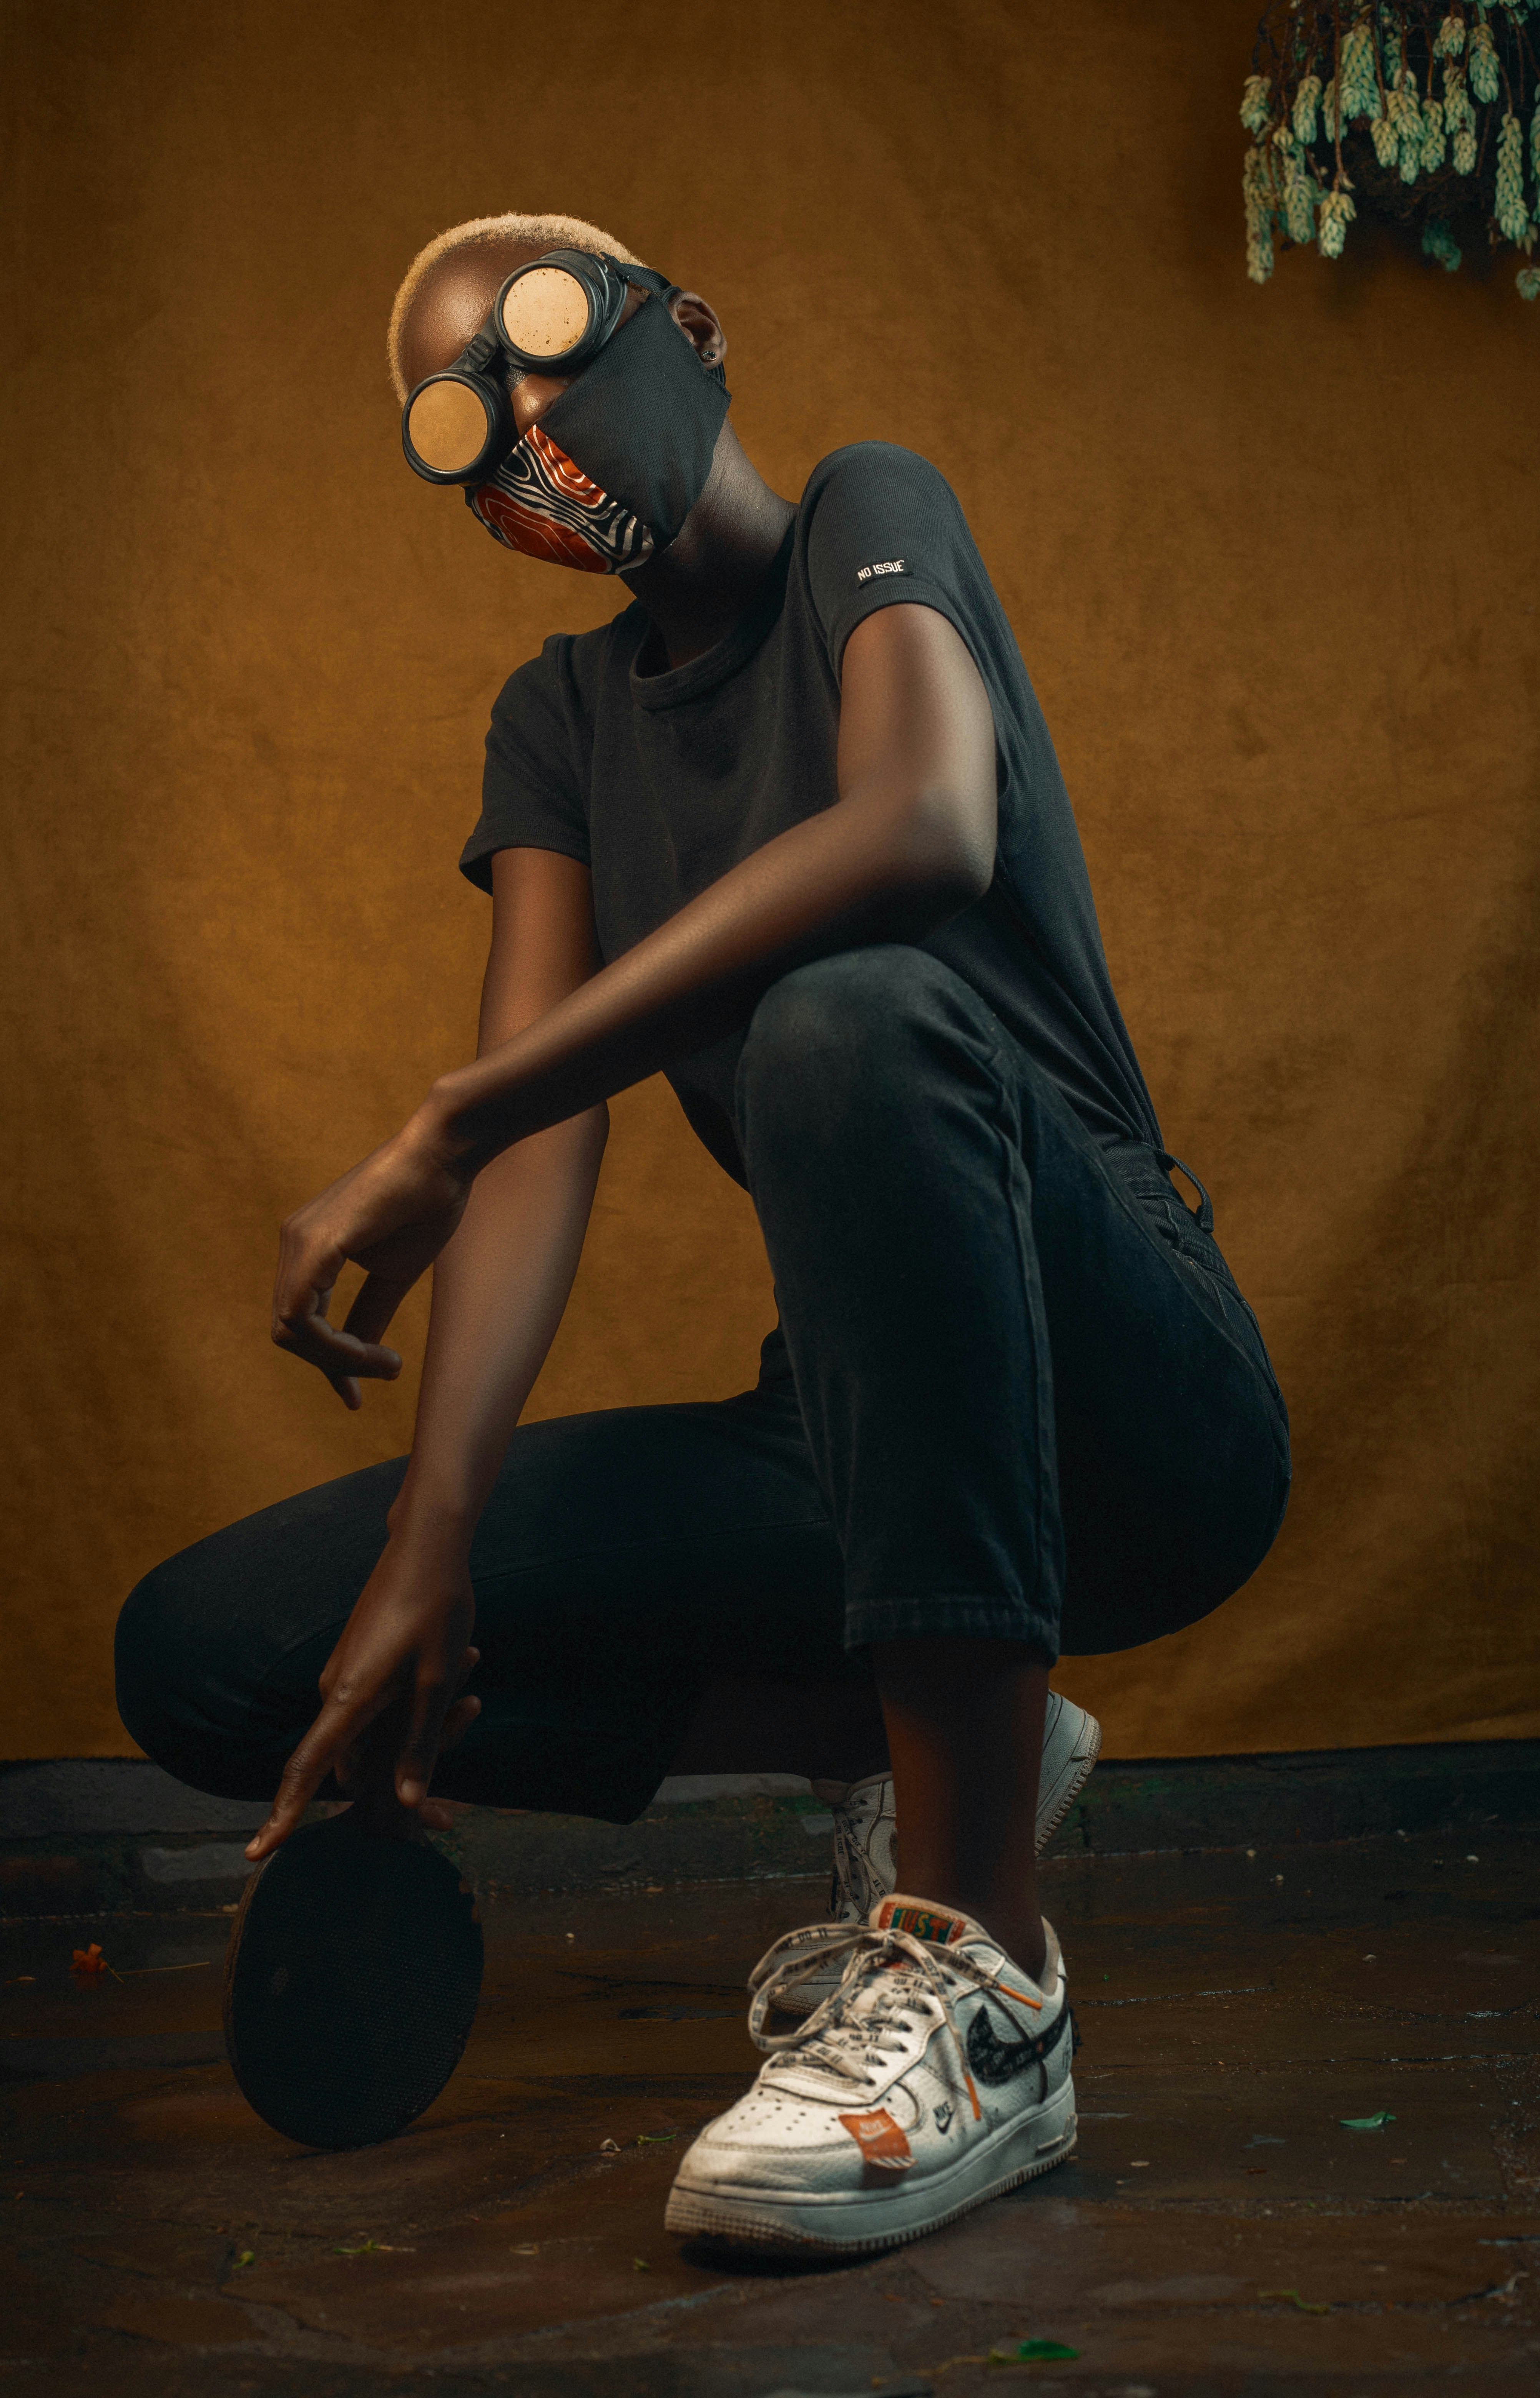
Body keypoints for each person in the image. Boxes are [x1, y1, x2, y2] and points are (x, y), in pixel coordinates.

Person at [116, 211, 1290, 2255]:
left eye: (545, 350)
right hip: (863, 1441)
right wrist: (434, 1546)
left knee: (850, 1014)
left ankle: (986, 1977)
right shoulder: (561, 721)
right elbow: (549, 1135)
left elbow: (922, 822)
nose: (521, 438)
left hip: (1129, 1400)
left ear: (691, 332)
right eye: (463, 429)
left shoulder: (866, 518)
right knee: (222, 1660)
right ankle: (930, 1749)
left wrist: (449, 1116)